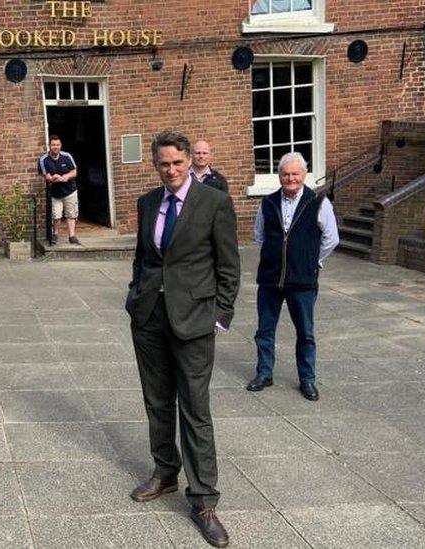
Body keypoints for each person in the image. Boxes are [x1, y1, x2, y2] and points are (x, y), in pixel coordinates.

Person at [126, 131, 240, 548]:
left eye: (177, 163)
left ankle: (204, 500)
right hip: (150, 318)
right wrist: (135, 296)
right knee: (157, 401)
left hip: (195, 321)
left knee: (195, 408)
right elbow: (143, 257)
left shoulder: (214, 202)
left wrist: (220, 318)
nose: (171, 171)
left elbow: (229, 266)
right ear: (155, 164)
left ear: (189, 160)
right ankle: (165, 473)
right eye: (163, 164)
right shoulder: (147, 203)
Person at [246, 152, 339, 401]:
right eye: (286, 174)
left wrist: (312, 260)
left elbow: (331, 238)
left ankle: (307, 379)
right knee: (264, 330)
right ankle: (264, 373)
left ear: (304, 175)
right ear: (279, 176)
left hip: (303, 282)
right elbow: (260, 235)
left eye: (295, 174)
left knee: (305, 333)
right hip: (270, 279)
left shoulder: (318, 202)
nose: (290, 178)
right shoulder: (268, 203)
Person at [38, 135, 80, 245]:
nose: (55, 147)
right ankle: (55, 234)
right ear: (49, 146)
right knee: (56, 215)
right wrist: (53, 178)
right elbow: (46, 176)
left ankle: (72, 235)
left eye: (57, 145)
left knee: (71, 214)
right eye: (53, 145)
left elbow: (74, 172)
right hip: (55, 193)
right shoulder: (43, 160)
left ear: (60, 145)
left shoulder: (67, 156)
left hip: (70, 190)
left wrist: (65, 177)